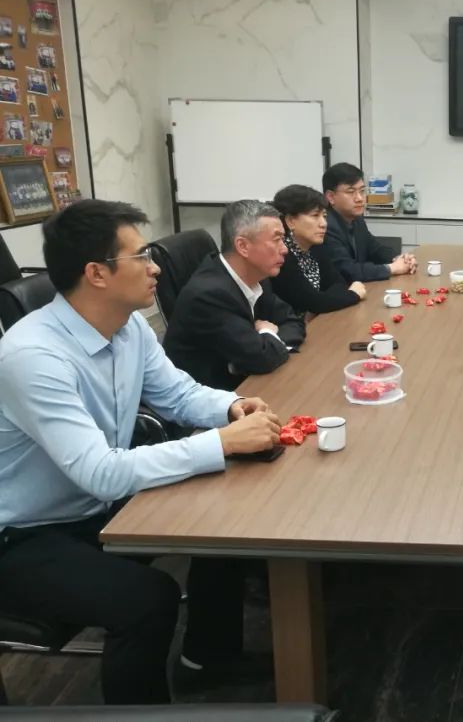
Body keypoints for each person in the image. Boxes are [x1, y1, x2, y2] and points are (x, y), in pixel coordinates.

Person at [0, 200, 283, 704]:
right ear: (97, 273)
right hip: (26, 533)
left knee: (227, 521)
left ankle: (208, 660)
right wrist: (220, 442)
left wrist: (231, 407)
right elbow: (101, 473)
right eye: (142, 256)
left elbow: (177, 393)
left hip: (93, 504)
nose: (156, 268)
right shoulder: (33, 357)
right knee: (146, 600)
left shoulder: (127, 326)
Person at [164, 200, 306, 391]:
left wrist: (268, 341)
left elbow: (293, 321)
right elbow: (262, 359)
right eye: (276, 239)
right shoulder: (209, 295)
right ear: (243, 246)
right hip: (212, 398)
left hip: (249, 384)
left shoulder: (257, 276)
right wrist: (268, 333)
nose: (285, 249)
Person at [270, 184, 367, 315]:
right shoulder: (281, 255)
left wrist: (323, 302)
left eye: (324, 216)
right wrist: (353, 294)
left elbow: (338, 284)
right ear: (290, 221)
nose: (323, 223)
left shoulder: (315, 247)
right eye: (315, 215)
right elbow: (315, 302)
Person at [315, 162, 416, 283]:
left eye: (362, 191)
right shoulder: (325, 226)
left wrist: (401, 259)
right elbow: (347, 271)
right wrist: (391, 268)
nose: (359, 198)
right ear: (331, 197)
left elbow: (376, 249)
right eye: (350, 192)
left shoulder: (356, 219)